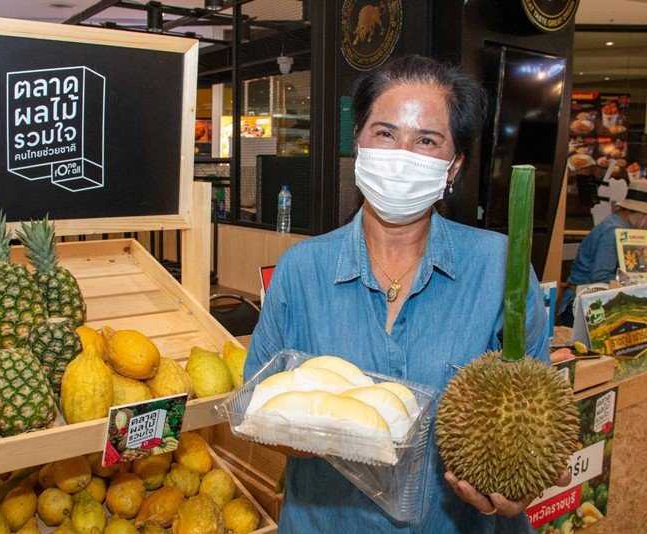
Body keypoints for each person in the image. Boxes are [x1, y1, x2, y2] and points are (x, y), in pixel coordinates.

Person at [244, 55, 556, 533]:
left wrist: (514, 493)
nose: (401, 153)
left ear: (454, 166)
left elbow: (534, 420)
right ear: (359, 144)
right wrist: (312, 429)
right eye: (385, 133)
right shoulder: (302, 269)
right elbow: (255, 411)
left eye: (426, 140)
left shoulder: (500, 268)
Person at [558, 180, 647, 326]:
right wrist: (633, 286)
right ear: (643, 214)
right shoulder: (613, 230)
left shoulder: (624, 228)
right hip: (583, 306)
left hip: (595, 303)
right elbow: (601, 276)